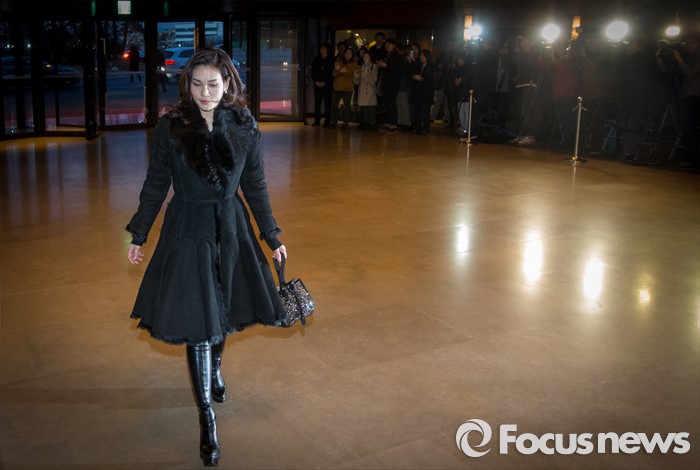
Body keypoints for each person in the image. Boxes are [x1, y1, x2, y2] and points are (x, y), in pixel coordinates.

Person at [125, 47, 288, 467]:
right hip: (188, 229)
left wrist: (271, 235)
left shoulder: (244, 124)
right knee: (199, 319)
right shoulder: (172, 127)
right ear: (187, 85)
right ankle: (206, 417)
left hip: (231, 227)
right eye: (196, 84)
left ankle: (214, 365)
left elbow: (255, 184)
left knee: (223, 308)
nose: (204, 93)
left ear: (227, 82)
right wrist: (139, 232)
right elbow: (156, 182)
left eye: (213, 84)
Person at [376, 37, 403, 133]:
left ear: (394, 45)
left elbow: (396, 70)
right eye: (386, 45)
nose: (387, 46)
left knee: (391, 104)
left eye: (389, 44)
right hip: (386, 83)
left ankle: (393, 124)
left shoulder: (397, 56)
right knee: (387, 104)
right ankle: (389, 122)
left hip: (392, 84)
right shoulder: (387, 55)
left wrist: (385, 66)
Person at [330, 47, 358, 129]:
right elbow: (334, 74)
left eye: (350, 53)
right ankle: (333, 121)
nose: (348, 55)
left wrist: (342, 71)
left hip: (347, 87)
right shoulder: (339, 62)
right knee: (334, 105)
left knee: (346, 106)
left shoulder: (354, 64)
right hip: (337, 87)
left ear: (352, 55)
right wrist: (339, 71)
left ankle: (345, 122)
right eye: (346, 53)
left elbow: (352, 73)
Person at [410, 49, 436, 134]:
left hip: (427, 91)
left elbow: (429, 78)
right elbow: (412, 74)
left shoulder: (431, 67)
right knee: (417, 110)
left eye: (423, 55)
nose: (421, 57)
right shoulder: (419, 65)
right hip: (418, 91)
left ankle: (425, 128)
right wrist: (414, 77)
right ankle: (417, 127)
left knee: (425, 111)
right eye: (421, 55)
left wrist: (419, 78)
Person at [354, 50, 379, 129]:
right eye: (364, 57)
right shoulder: (361, 67)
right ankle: (364, 123)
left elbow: (374, 79)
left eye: (367, 57)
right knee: (363, 107)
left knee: (370, 107)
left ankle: (371, 124)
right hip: (362, 90)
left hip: (370, 90)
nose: (365, 58)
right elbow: (356, 82)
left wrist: (367, 73)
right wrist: (357, 75)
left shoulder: (373, 66)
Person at [311, 42, 334, 127]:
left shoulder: (331, 60)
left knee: (327, 103)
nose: (322, 50)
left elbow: (331, 73)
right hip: (317, 85)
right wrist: (316, 81)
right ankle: (317, 120)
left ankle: (327, 121)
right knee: (317, 103)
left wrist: (325, 82)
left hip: (327, 85)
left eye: (324, 48)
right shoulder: (316, 60)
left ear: (327, 50)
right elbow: (313, 72)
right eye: (321, 48)